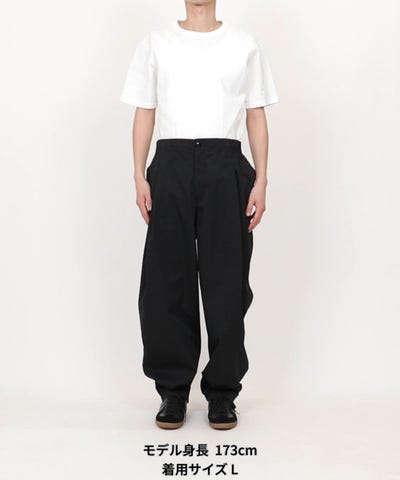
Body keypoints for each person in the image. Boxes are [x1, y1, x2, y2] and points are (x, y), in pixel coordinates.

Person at [120, 0, 278, 430]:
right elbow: (145, 111)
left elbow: (256, 114)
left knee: (226, 281)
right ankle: (173, 391)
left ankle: (223, 393)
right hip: (170, 164)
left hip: (225, 164)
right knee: (167, 281)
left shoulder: (243, 44)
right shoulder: (156, 43)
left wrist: (262, 180)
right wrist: (139, 174)